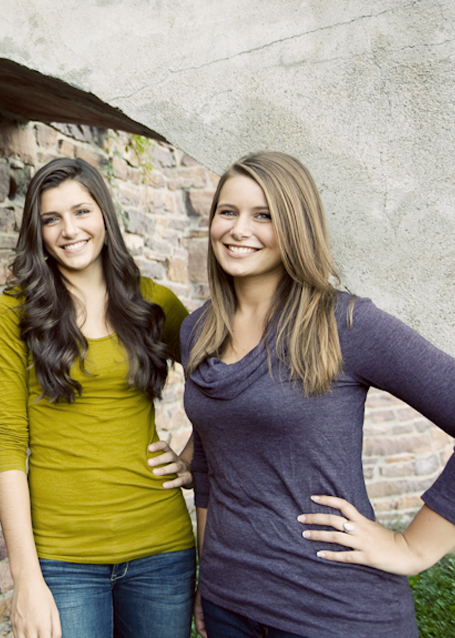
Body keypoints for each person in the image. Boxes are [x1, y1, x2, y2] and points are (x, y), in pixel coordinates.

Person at [182, 151, 455, 638]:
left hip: (335, 611)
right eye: (228, 211)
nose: (238, 229)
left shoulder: (347, 325)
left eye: (263, 215)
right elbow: (209, 463)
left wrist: (414, 547)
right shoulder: (197, 331)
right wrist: (209, 581)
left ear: (296, 227)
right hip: (229, 605)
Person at [0, 157, 196, 638]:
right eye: (51, 218)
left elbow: (227, 384)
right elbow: (7, 442)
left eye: (81, 212)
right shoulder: (14, 312)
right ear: (37, 231)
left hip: (160, 547)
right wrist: (26, 577)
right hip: (63, 558)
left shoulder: (153, 302)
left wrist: (191, 457)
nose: (69, 230)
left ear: (104, 214)